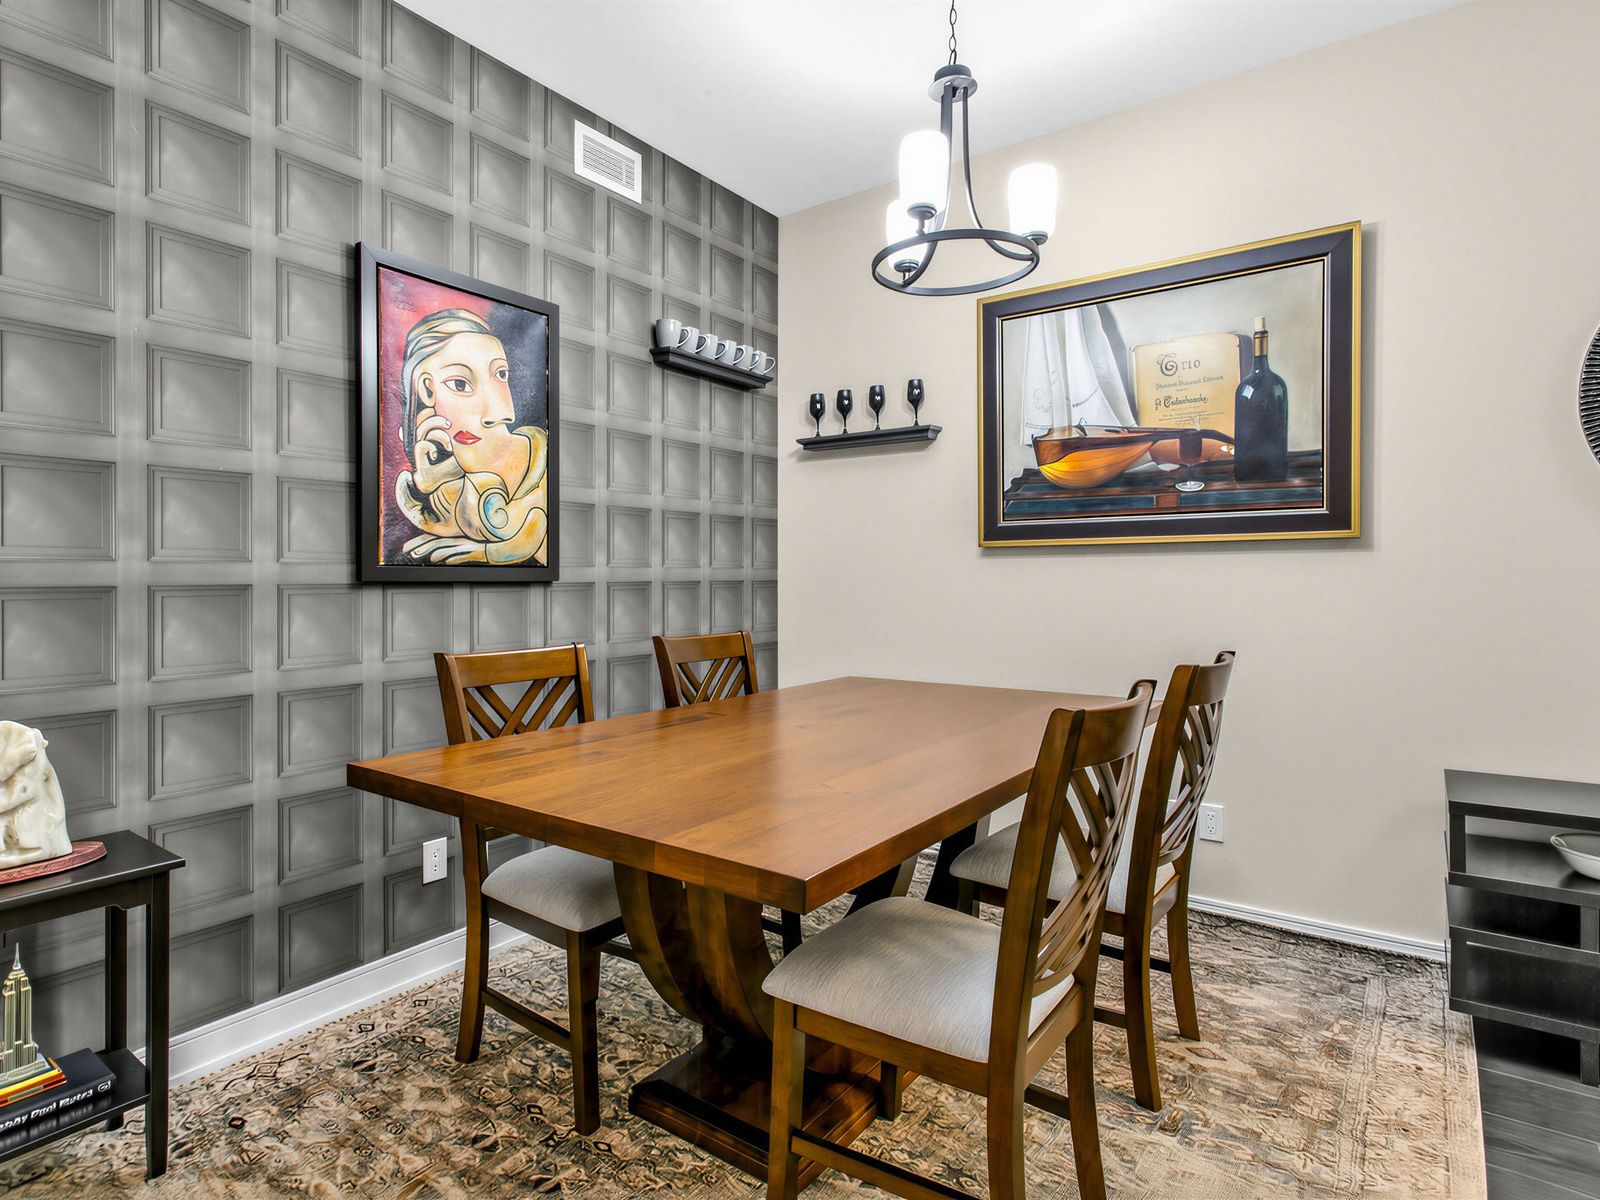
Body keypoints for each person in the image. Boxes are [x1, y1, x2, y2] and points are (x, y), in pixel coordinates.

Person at [392, 308, 549, 565]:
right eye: (460, 384)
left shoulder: (543, 459)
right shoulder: (449, 479)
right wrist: (429, 481)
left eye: (501, 375)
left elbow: (538, 528)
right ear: (426, 391)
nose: (502, 413)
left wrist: (489, 553)